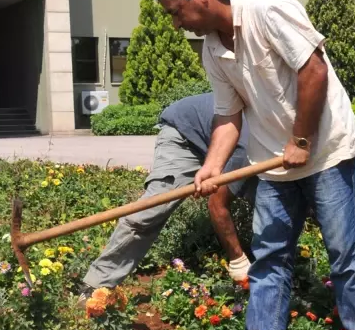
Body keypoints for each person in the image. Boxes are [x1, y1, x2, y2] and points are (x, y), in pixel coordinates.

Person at [152, 0, 355, 330]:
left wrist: (302, 141)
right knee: (269, 255)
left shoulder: (267, 8)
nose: (176, 23)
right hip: (273, 162)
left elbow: (314, 70)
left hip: (326, 151)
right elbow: (228, 113)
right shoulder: (212, 49)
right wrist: (211, 166)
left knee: (344, 255)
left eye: (176, 11)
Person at [80, 92, 256, 294]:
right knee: (152, 211)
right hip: (185, 133)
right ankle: (95, 285)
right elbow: (217, 204)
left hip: (221, 133)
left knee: (269, 201)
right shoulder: (247, 146)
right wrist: (237, 260)